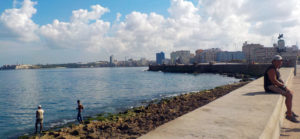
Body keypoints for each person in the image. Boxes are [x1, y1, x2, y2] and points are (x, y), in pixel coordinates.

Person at [264, 55, 298, 123]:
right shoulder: (271, 69)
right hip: (270, 87)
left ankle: (289, 111)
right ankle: (289, 115)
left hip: (275, 86)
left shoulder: (276, 68)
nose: (280, 62)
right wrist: (284, 87)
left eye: (281, 61)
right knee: (289, 95)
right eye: (278, 61)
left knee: (290, 92)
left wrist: (285, 87)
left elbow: (279, 80)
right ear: (273, 62)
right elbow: (274, 81)